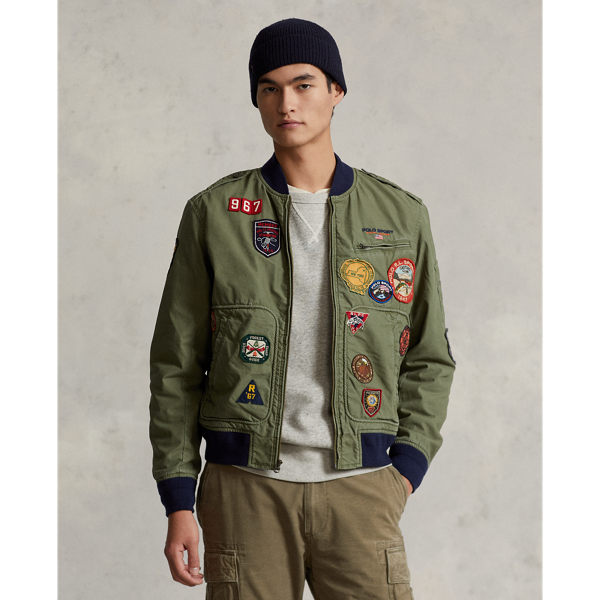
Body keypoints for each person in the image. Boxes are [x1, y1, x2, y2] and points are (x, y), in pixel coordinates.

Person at [149, 17, 455, 600]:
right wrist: (178, 498)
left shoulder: (401, 217)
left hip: (364, 488)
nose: (286, 102)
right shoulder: (214, 215)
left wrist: (406, 468)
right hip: (245, 490)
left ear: (336, 90)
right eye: (269, 88)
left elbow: (429, 357)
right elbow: (176, 365)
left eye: (303, 84)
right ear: (257, 100)